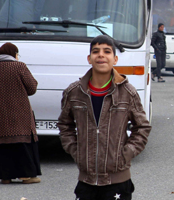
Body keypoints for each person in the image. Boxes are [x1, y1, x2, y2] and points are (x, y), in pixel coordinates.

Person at [58, 35, 151, 200]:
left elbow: (142, 127)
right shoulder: (74, 92)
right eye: (96, 51)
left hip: (118, 183)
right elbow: (65, 125)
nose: (101, 55)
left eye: (107, 51)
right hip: (86, 182)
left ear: (115, 59)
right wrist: (76, 150)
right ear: (89, 58)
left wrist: (126, 154)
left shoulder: (128, 92)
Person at [0, 43, 41, 184]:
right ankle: (26, 176)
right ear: (14, 54)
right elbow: (32, 88)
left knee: (2, 145)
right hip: (19, 112)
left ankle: (5, 176)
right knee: (21, 142)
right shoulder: (19, 66)